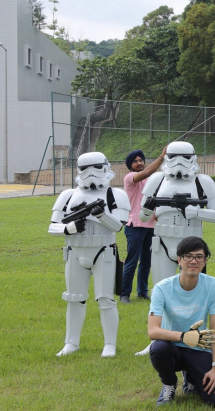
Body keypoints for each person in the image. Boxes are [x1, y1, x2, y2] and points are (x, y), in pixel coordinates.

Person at [48, 151, 131, 358]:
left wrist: (100, 215)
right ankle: (71, 343)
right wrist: (69, 228)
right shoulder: (68, 196)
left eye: (96, 167)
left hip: (103, 251)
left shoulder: (116, 195)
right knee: (74, 299)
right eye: (85, 168)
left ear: (106, 167)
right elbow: (53, 227)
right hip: (75, 251)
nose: (90, 173)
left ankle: (110, 344)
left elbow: (118, 226)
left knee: (105, 300)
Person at [147, 236, 215, 406]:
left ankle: (191, 377)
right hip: (172, 347)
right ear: (179, 259)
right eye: (188, 256)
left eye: (199, 257)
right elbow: (153, 331)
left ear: (205, 261)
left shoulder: (213, 285)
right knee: (158, 347)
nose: (193, 261)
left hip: (198, 348)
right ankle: (169, 383)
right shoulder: (162, 288)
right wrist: (184, 337)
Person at [140, 141, 215, 285]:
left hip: (192, 244)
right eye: (173, 157)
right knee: (160, 291)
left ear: (192, 158)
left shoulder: (202, 181)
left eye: (185, 157)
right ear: (167, 158)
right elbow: (142, 216)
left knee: (194, 291)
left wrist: (195, 212)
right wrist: (147, 209)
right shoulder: (157, 180)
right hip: (162, 242)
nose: (179, 162)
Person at [120, 146, 166, 304]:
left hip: (151, 226)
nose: (139, 163)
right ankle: (124, 294)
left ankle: (142, 292)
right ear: (130, 165)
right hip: (135, 226)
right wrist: (162, 157)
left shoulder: (151, 180)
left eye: (141, 160)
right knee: (132, 261)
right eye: (135, 161)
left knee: (147, 262)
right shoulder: (131, 178)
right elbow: (146, 173)